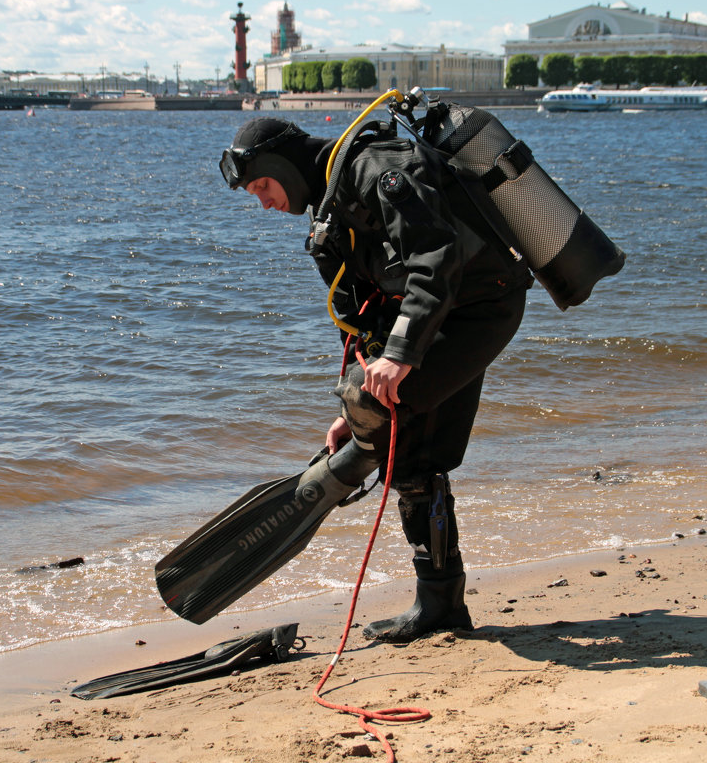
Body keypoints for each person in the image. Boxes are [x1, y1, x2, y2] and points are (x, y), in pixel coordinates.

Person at [219, 116, 532, 643]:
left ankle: (439, 604)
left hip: (481, 306)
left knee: (402, 437)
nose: (265, 203)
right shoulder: (330, 212)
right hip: (439, 316)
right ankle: (441, 605)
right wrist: (351, 411)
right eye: (255, 195)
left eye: (264, 187)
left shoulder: (379, 172)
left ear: (282, 166)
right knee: (403, 440)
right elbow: (362, 320)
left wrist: (402, 355)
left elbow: (437, 255)